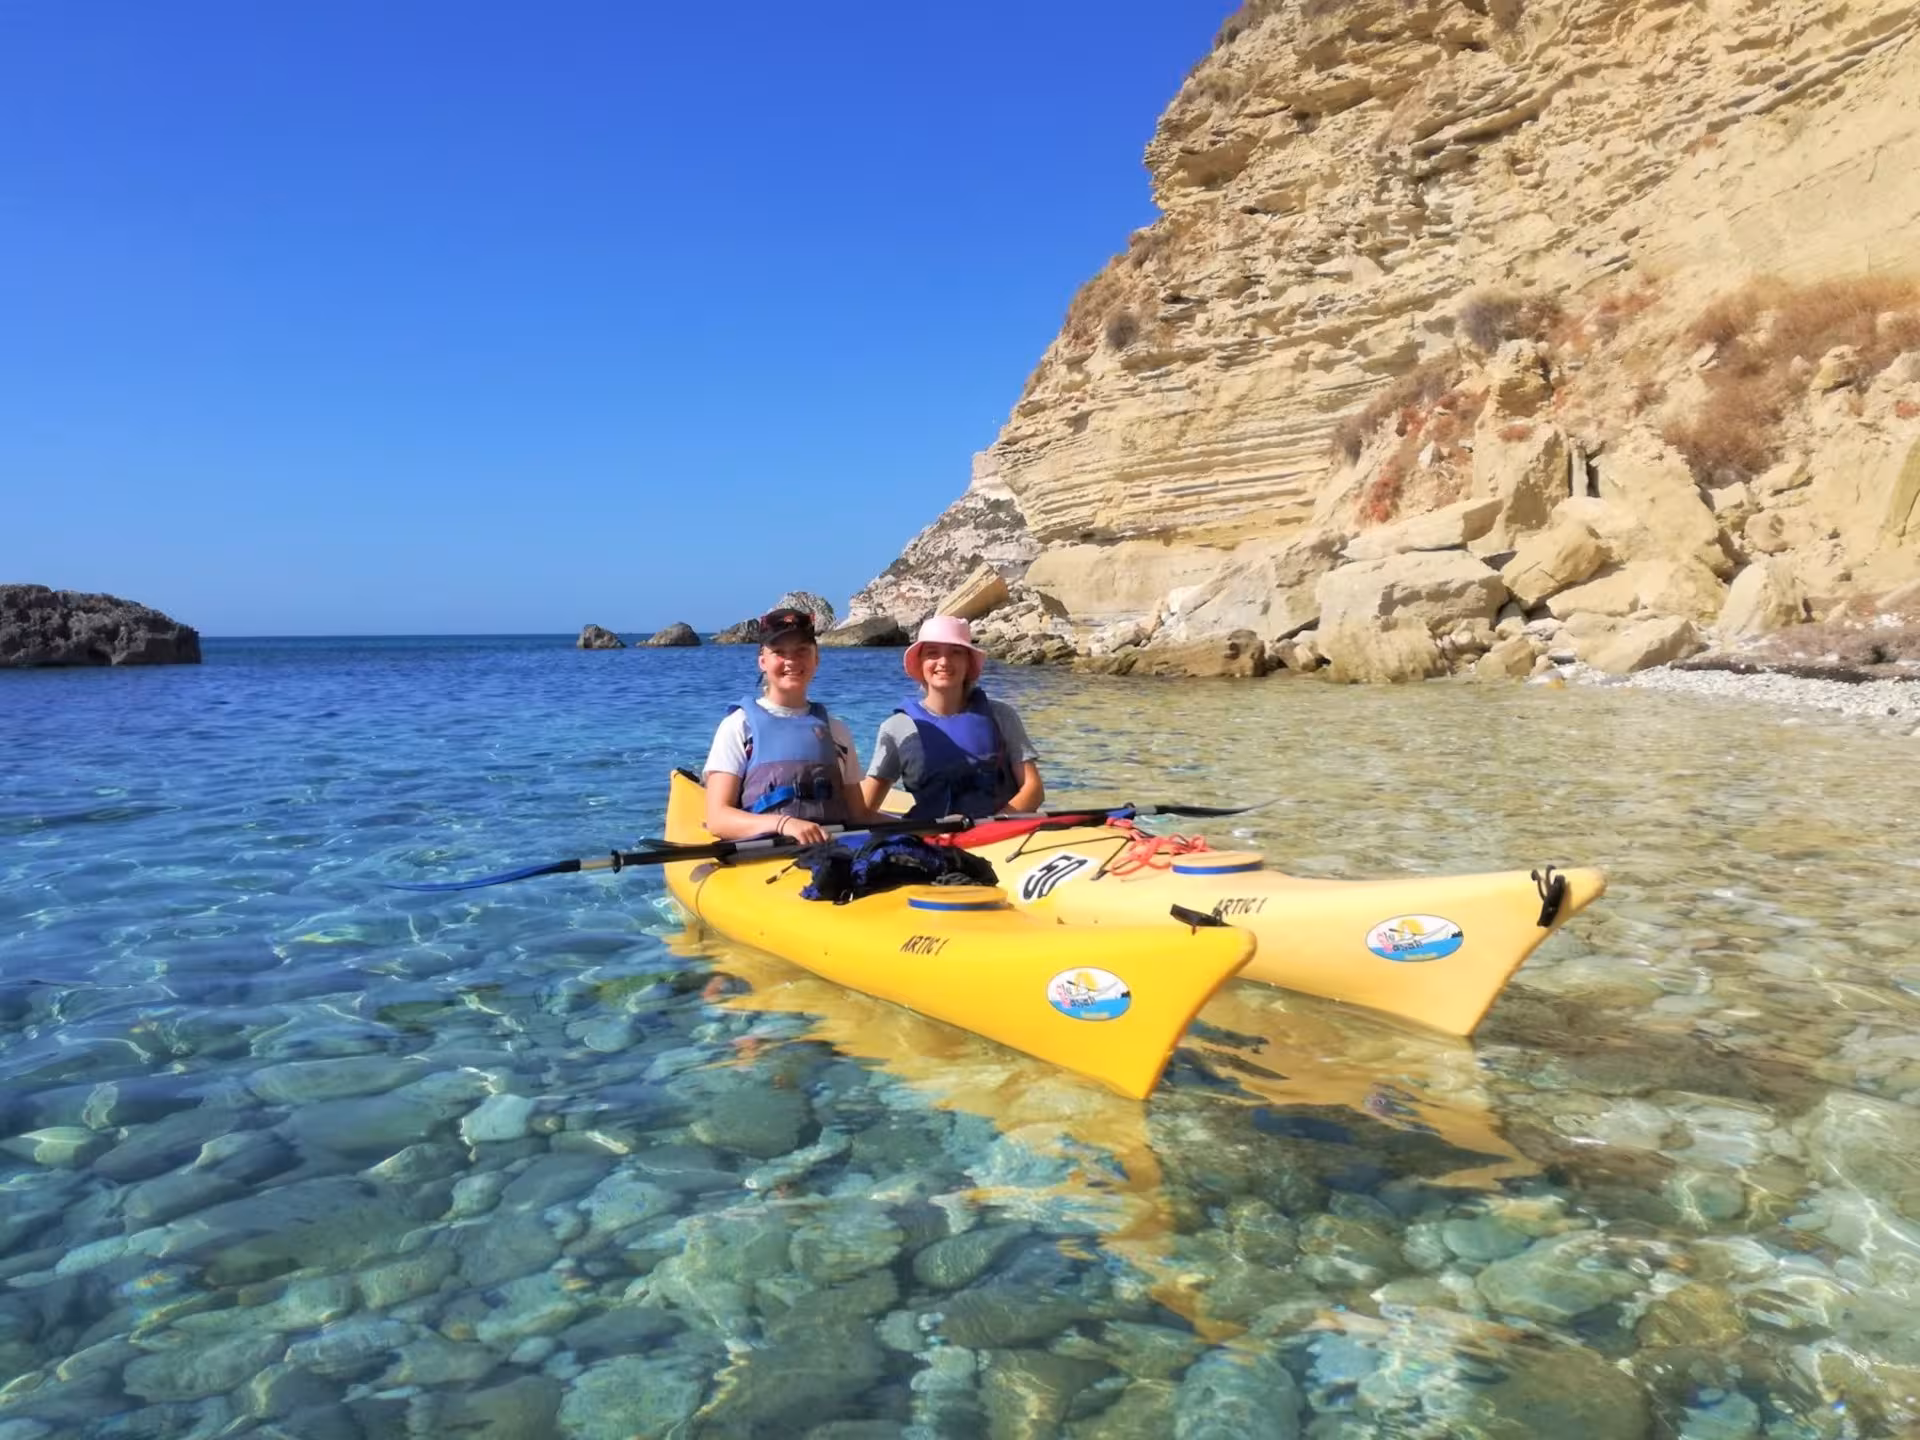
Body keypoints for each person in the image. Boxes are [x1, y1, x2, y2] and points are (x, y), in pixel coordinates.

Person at [704, 607, 880, 846]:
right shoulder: (738, 726)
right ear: (762, 662)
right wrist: (784, 824)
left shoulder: (836, 731)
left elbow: (860, 815)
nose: (791, 661)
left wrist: (924, 829)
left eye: (801, 651)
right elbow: (717, 819)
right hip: (766, 854)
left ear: (816, 658)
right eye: (779, 652)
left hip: (832, 852)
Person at [861, 615, 1044, 822]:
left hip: (999, 832)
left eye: (955, 653)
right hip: (933, 840)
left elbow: (1033, 789)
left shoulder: (1001, 715)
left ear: (968, 663)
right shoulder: (897, 728)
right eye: (932, 653)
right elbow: (865, 809)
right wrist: (913, 831)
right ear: (920, 663)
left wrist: (995, 823)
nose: (944, 662)